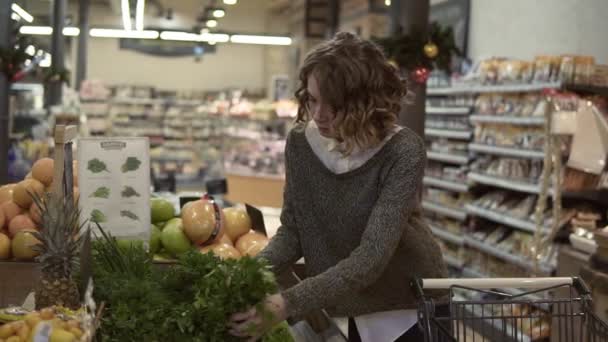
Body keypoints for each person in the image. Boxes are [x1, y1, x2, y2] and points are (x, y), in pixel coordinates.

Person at [229, 32, 448, 342]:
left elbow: (371, 256)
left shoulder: (403, 151)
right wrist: (243, 273)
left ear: (365, 102)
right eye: (313, 99)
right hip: (349, 310)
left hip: (408, 306)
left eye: (334, 104)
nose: (319, 114)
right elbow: (293, 232)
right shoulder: (301, 143)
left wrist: (287, 303)